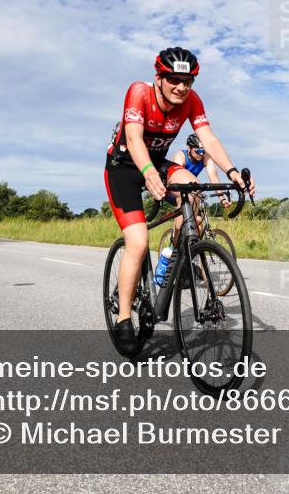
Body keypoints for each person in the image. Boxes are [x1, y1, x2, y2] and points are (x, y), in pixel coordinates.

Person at [104, 47, 255, 357]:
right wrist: (147, 173)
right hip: (124, 167)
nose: (181, 87)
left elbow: (209, 139)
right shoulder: (139, 93)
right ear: (158, 78)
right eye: (174, 79)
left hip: (157, 162)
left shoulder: (191, 101)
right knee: (138, 242)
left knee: (193, 187)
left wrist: (233, 171)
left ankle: (178, 252)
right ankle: (122, 318)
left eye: (188, 81)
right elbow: (133, 139)